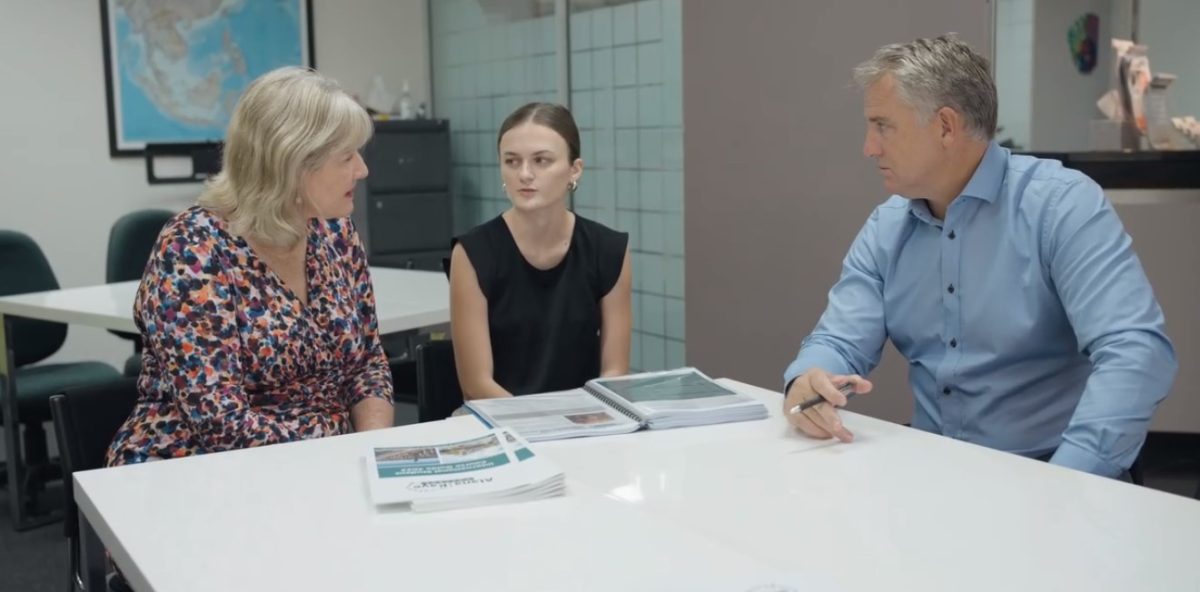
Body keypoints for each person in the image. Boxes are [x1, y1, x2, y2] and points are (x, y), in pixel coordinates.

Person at [782, 35, 1176, 478]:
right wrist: (808, 380)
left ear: (946, 126)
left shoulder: (1060, 205)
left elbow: (1135, 352)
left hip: (1052, 468)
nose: (869, 147)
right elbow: (838, 342)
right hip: (937, 472)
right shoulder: (887, 227)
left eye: (883, 125)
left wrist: (1068, 481)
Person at [108, 67, 393, 465]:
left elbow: (367, 362)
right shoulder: (193, 248)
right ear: (290, 163)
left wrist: (373, 446)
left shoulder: (335, 231)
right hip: (197, 469)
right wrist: (336, 450)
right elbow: (221, 424)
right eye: (346, 157)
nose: (362, 170)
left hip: (323, 463)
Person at [450, 102, 632, 399]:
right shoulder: (472, 253)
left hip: (585, 419)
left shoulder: (608, 250)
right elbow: (477, 385)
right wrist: (540, 425)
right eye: (511, 161)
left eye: (541, 161)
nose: (524, 174)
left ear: (575, 170)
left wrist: (577, 422)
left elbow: (615, 373)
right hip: (501, 421)